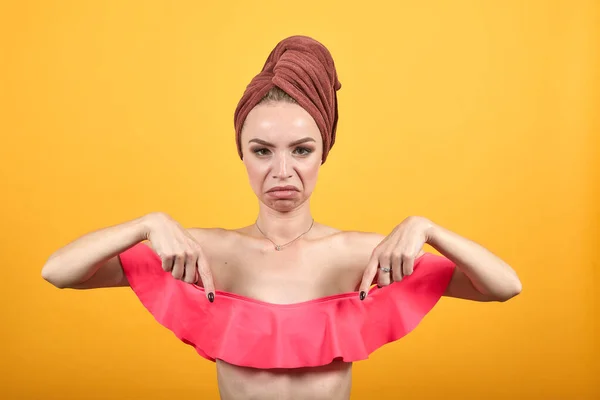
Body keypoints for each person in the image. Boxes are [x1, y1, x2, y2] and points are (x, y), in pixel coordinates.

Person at [41, 35, 522, 400]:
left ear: (322, 152)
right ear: (242, 155)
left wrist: (427, 228)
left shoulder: (367, 257)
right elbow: (59, 272)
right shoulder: (199, 254)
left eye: (302, 149)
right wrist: (145, 224)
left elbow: (503, 286)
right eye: (262, 151)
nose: (282, 171)